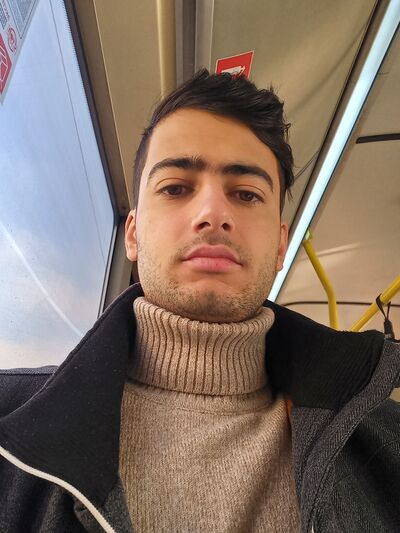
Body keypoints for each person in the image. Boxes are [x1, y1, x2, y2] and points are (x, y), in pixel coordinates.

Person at [0, 69, 399, 533]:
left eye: (246, 194)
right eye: (175, 188)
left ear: (280, 246)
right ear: (133, 234)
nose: (213, 214)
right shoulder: (11, 425)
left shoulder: (384, 439)